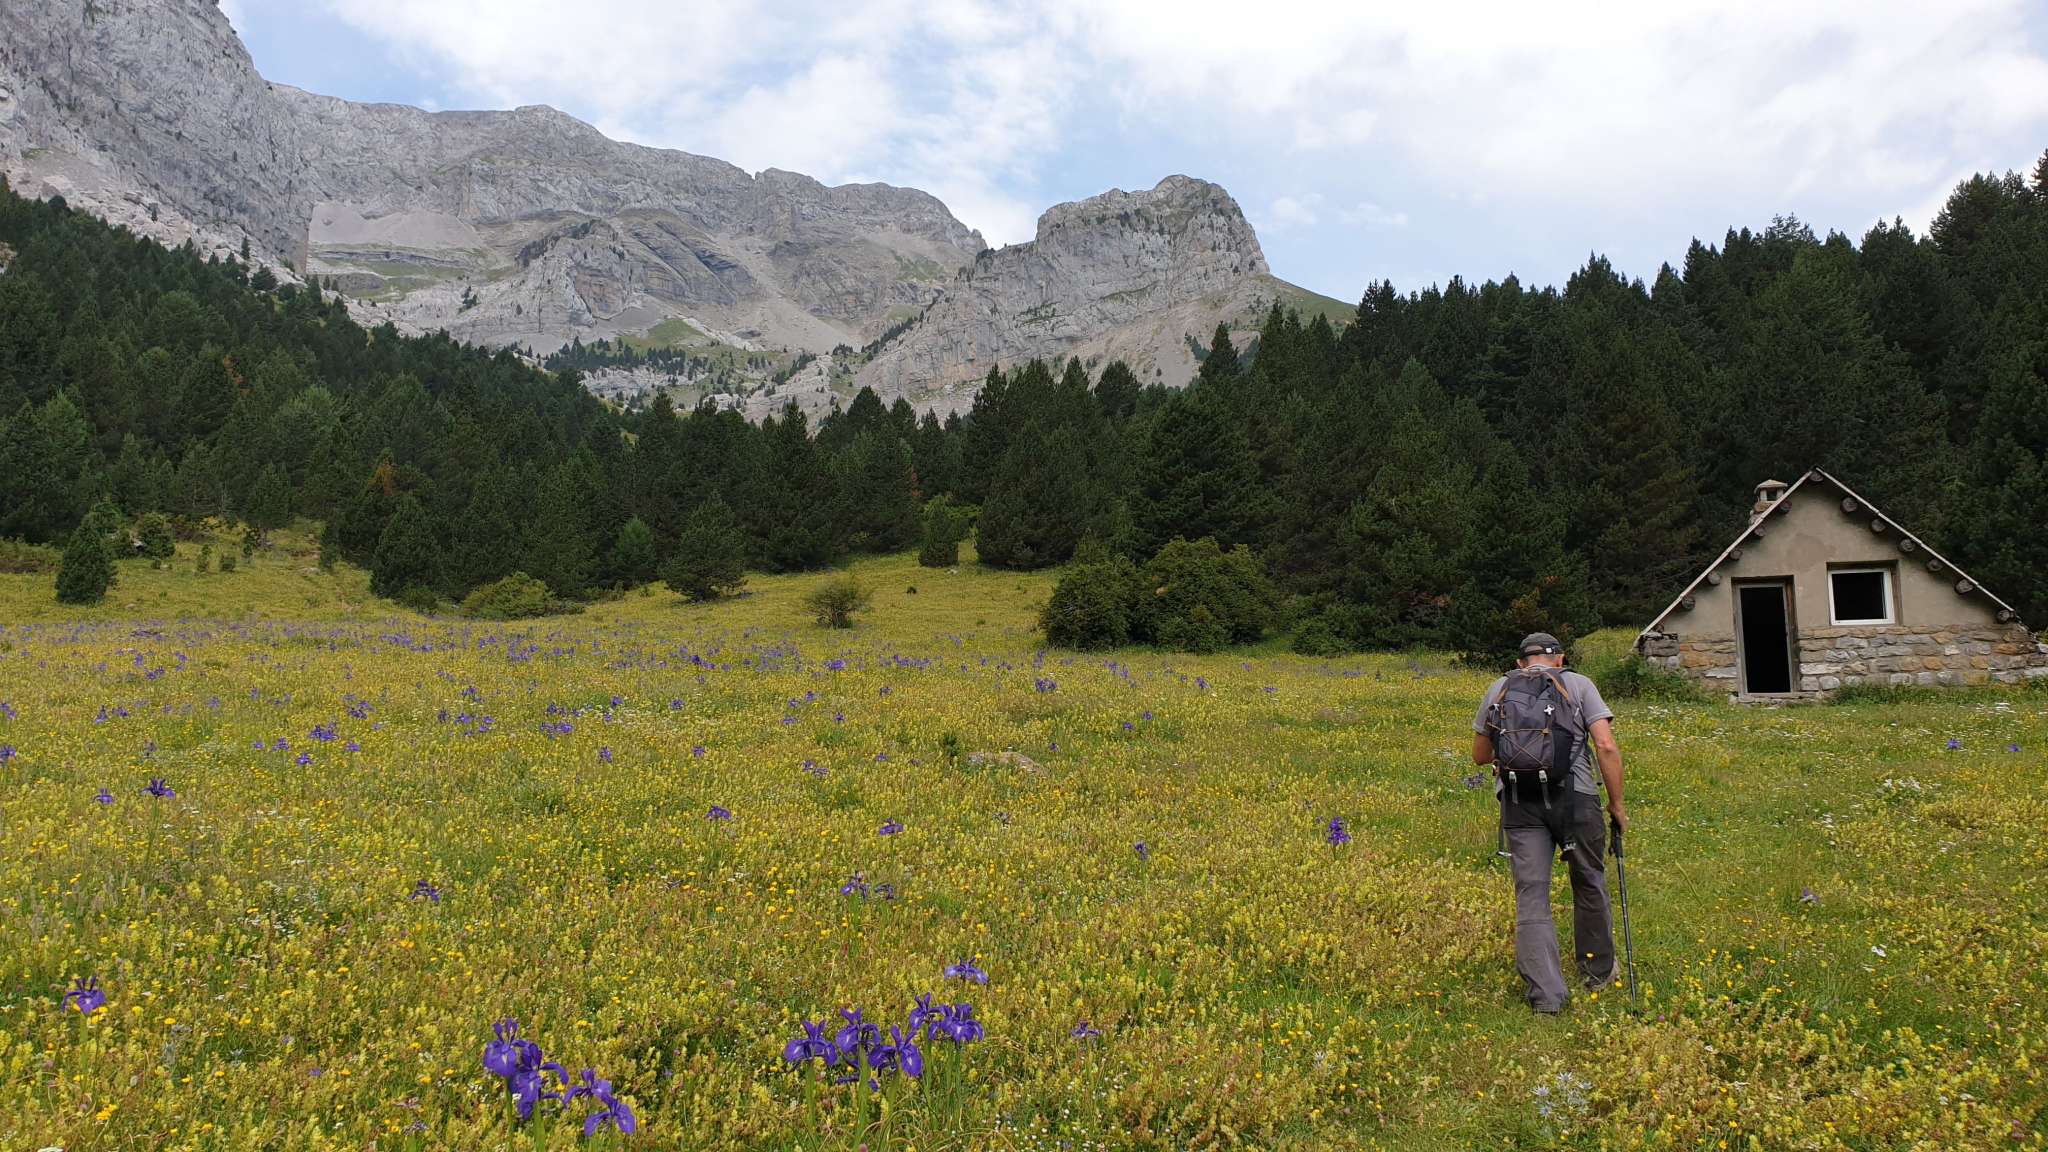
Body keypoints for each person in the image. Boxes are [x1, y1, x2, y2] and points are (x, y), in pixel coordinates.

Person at [1471, 632, 1626, 1013]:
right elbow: (1605, 745)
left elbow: (1480, 755)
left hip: (1519, 802)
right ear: (1560, 658)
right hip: (1576, 799)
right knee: (1588, 880)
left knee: (1532, 893)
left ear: (1521, 662)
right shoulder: (1579, 684)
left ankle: (1546, 995)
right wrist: (1617, 805)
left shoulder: (1499, 688)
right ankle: (1597, 973)